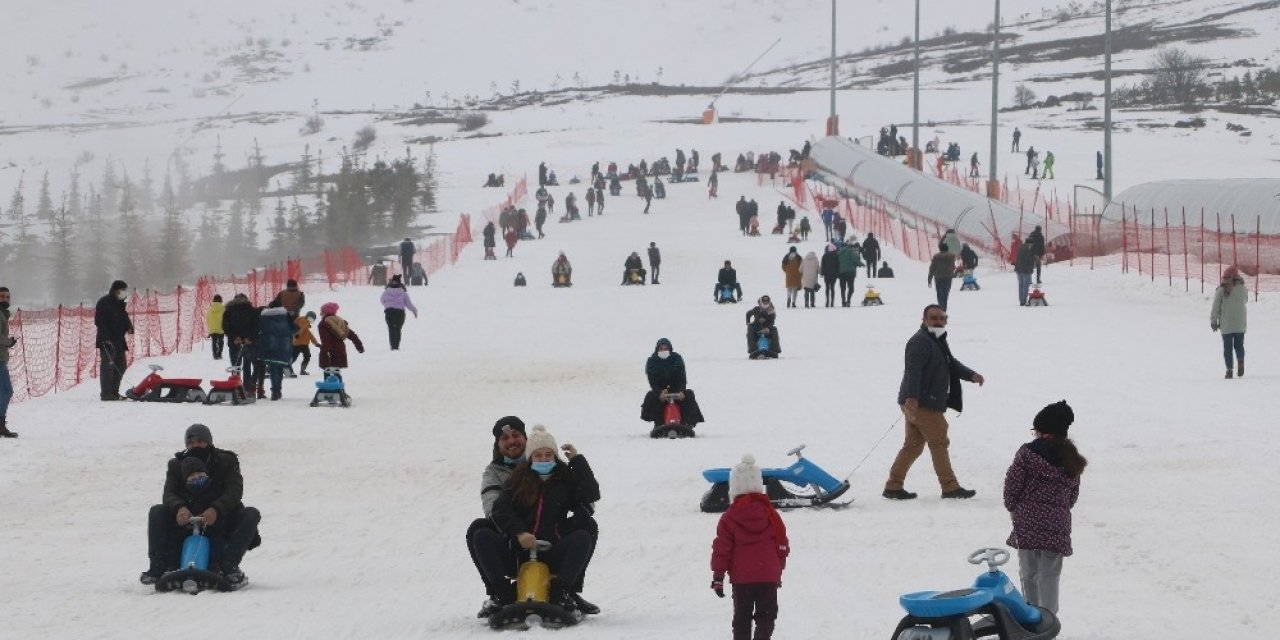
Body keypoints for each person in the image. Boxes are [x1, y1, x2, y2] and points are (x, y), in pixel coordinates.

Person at [467, 417, 602, 618]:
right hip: (516, 546)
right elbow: (496, 508)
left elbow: (589, 495)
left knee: (585, 530)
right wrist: (519, 532)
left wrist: (577, 462)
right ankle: (501, 594)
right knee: (479, 531)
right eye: (505, 438)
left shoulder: (560, 477)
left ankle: (564, 590)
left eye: (548, 455)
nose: (543, 459)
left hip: (552, 545)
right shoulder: (514, 479)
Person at [140, 424, 261, 588]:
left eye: (200, 442)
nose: (195, 446)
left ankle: (229, 566)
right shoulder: (176, 465)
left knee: (251, 513)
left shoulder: (226, 461)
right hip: (187, 519)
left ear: (209, 442)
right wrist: (179, 508)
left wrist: (216, 509)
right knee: (157, 511)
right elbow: (169, 493)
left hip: (221, 519)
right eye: (191, 443)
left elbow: (234, 491)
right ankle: (159, 566)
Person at [883, 305, 985, 500]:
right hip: (922, 403)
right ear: (924, 320)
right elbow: (913, 371)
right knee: (939, 441)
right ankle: (950, 487)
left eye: (941, 318)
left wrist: (971, 375)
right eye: (933, 318)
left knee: (913, 446)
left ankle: (893, 486)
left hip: (920, 401)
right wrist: (912, 398)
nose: (938, 321)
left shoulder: (935, 339)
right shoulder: (919, 342)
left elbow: (950, 362)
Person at [1004, 401, 1086, 615]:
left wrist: (1012, 507)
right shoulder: (1072, 459)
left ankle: (1030, 617)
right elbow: (1072, 496)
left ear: (1044, 432)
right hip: (1056, 526)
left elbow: (1012, 484)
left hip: (1027, 524)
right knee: (1050, 576)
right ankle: (1048, 621)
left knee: (1028, 573)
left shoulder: (1027, 454)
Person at [711, 454, 789, 640]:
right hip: (768, 576)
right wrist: (778, 569)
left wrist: (718, 577)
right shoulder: (771, 514)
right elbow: (782, 543)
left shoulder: (729, 517)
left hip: (742, 579)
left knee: (742, 618)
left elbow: (722, 549)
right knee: (766, 616)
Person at [640, 338, 705, 429]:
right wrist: (660, 392)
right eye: (661, 349)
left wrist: (681, 391)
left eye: (665, 349)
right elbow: (652, 381)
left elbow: (682, 378)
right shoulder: (652, 362)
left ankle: (687, 424)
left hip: (677, 391)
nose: (663, 351)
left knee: (689, 394)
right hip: (661, 392)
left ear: (670, 349)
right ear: (657, 350)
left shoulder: (677, 359)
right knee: (651, 396)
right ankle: (659, 423)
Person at [94, 280, 134, 402]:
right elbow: (100, 322)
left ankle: (114, 392)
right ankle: (106, 393)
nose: (125, 293)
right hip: (107, 341)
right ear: (117, 290)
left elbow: (123, 316)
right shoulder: (104, 302)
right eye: (123, 290)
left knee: (121, 366)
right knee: (108, 367)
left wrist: (129, 326)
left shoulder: (120, 303)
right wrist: (106, 339)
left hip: (119, 340)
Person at [221, 293, 261, 396]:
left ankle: (236, 388)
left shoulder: (228, 311)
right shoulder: (252, 310)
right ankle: (247, 389)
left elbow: (225, 326)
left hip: (234, 342)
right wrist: (250, 338)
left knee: (235, 366)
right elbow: (257, 326)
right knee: (247, 365)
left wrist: (234, 337)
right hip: (248, 342)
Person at [1211, 269, 1248, 379]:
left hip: (1226, 325)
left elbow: (1216, 307)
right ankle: (1240, 361)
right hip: (1240, 324)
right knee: (1239, 345)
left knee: (1227, 348)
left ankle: (1229, 371)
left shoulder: (1221, 290)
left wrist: (1214, 321)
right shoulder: (1243, 289)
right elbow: (1245, 300)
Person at [317, 302, 364, 378]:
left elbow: (325, 340)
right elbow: (352, 335)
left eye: (321, 311)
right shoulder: (340, 322)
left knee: (328, 375)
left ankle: (331, 389)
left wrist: (324, 355)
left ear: (325, 312)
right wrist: (359, 347)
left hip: (330, 352)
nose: (320, 313)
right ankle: (340, 389)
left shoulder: (323, 323)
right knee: (336, 373)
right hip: (340, 350)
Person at [257, 306, 293, 401]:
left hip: (270, 345)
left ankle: (274, 392)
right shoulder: (285, 315)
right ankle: (278, 389)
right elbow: (293, 328)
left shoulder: (265, 316)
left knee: (273, 368)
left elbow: (259, 329)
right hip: (283, 345)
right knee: (280, 367)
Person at [378, 274, 419, 351]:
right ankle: (396, 346)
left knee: (391, 329)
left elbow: (382, 301)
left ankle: (392, 346)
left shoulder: (386, 292)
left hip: (389, 312)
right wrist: (414, 311)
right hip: (400, 313)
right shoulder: (403, 293)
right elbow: (409, 304)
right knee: (398, 329)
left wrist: (387, 305)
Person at [0, 287, 17, 437]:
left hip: (2, 357)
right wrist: (9, 342)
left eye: (7, 297)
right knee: (7, 390)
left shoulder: (4, 314)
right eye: (2, 296)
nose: (5, 299)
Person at [927, 242, 957, 311]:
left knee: (939, 295)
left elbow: (932, 268)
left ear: (940, 249)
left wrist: (929, 280)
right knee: (945, 294)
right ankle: (944, 310)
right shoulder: (951, 257)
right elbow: (953, 267)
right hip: (948, 278)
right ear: (947, 249)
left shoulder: (936, 257)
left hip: (938, 278)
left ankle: (941, 308)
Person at [291, 311, 320, 376]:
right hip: (298, 344)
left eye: (313, 319)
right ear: (307, 316)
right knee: (294, 357)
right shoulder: (303, 321)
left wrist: (316, 343)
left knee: (306, 357)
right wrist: (297, 335)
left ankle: (302, 370)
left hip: (304, 344)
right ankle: (285, 366)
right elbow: (300, 329)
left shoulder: (307, 325)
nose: (311, 320)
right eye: (311, 318)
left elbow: (310, 335)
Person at [836, 242, 862, 307]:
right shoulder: (850, 251)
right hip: (850, 272)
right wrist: (860, 264)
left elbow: (836, 262)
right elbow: (855, 259)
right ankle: (848, 301)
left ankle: (843, 301)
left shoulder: (838, 253)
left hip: (841, 273)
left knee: (842, 288)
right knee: (851, 287)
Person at [206, 294, 226, 360]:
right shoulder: (223, 308)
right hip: (220, 328)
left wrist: (209, 328)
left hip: (212, 327)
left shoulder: (210, 309)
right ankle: (219, 354)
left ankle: (215, 354)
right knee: (221, 341)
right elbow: (225, 318)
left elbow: (207, 319)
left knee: (214, 341)